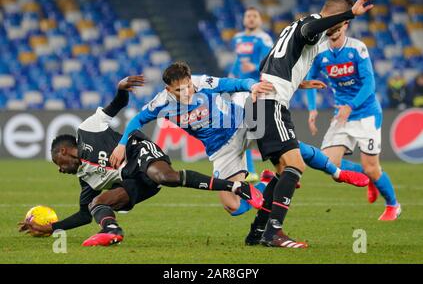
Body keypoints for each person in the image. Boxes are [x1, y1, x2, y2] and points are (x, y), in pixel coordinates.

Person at [19, 75, 263, 246]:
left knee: (165, 176)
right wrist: (52, 228)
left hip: (139, 152)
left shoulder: (87, 130)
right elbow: (84, 215)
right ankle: (112, 231)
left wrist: (121, 90)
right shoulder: (85, 178)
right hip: (135, 182)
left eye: (58, 164)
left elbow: (116, 106)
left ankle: (235, 186)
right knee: (96, 202)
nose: (60, 171)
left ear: (63, 152)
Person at [110, 62, 368, 220]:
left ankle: (336, 172)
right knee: (233, 207)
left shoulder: (202, 82)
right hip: (220, 149)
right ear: (168, 90)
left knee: (292, 149)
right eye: (179, 90)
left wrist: (251, 86)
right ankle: (268, 183)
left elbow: (234, 83)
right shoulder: (161, 103)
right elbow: (136, 122)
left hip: (243, 125)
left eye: (188, 86)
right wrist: (122, 143)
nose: (187, 92)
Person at [245, 0, 378, 249]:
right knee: (296, 166)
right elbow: (313, 27)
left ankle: (258, 231)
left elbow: (267, 60)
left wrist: (298, 81)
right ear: (334, 17)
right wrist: (350, 14)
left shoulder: (291, 27)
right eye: (338, 24)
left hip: (262, 104)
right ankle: (274, 233)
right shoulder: (313, 25)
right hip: (271, 105)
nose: (336, 30)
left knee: (283, 171)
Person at [306, 0, 400, 221]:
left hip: (366, 112)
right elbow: (309, 79)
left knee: (372, 166)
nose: (331, 30)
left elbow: (370, 84)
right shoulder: (321, 52)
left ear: (346, 24)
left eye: (336, 25)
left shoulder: (358, 49)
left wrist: (351, 105)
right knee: (329, 164)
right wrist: (312, 109)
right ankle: (368, 178)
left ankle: (393, 205)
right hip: (342, 114)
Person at [229, 7, 274, 180]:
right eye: (248, 16)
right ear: (243, 19)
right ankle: (249, 170)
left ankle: (276, 167)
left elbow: (269, 62)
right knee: (240, 128)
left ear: (260, 20)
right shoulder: (237, 38)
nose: (251, 19)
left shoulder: (264, 39)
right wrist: (230, 79)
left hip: (258, 88)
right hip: (241, 89)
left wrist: (254, 67)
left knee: (257, 132)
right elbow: (237, 62)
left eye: (255, 16)